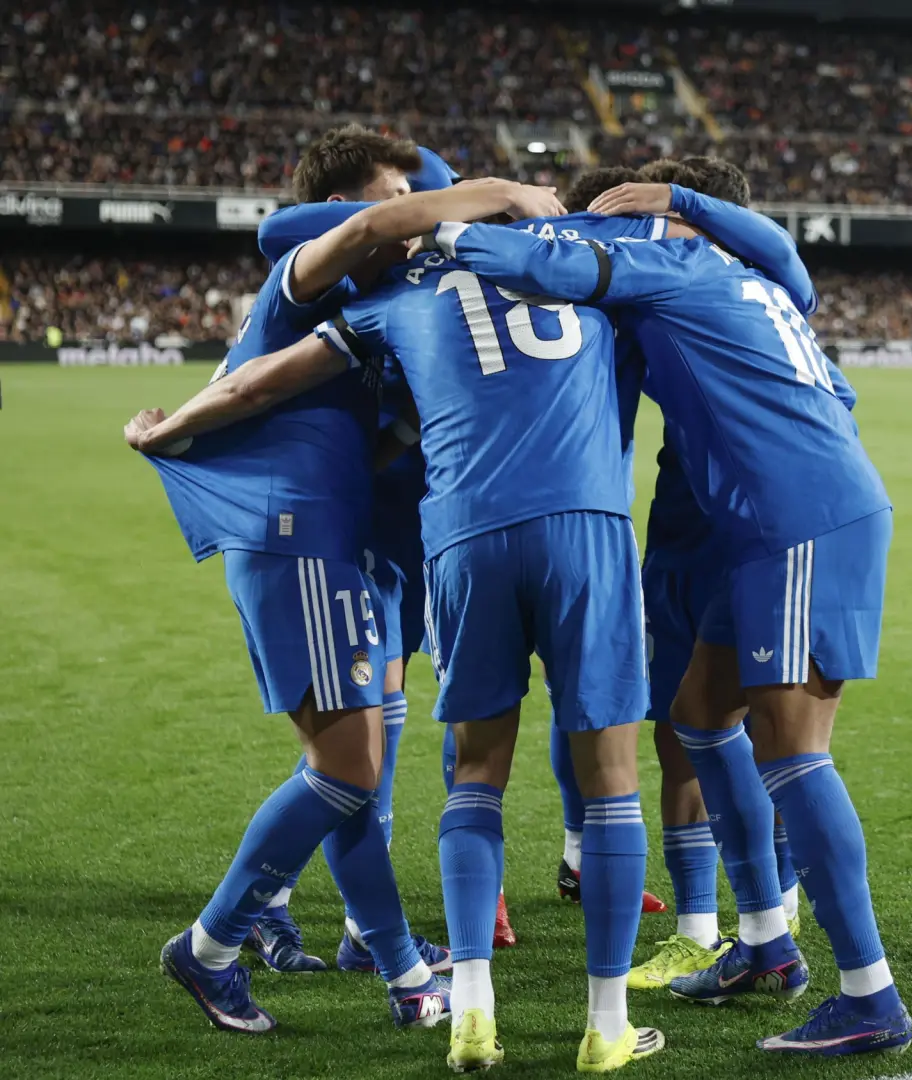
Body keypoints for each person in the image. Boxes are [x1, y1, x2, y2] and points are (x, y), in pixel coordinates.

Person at [434, 197, 912, 1057]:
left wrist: (440, 227)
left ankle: (869, 994)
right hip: (773, 521)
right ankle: (764, 939)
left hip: (795, 520)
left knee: (796, 750)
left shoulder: (676, 264)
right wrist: (683, 202)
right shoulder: (757, 274)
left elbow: (552, 272)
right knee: (697, 717)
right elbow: (815, 332)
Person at [122, 128, 559, 1034]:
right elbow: (366, 234)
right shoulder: (306, 269)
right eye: (393, 194)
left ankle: (396, 969)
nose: (409, 212)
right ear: (351, 202)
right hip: (301, 537)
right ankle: (212, 945)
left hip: (344, 543)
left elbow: (382, 431)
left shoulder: (374, 307)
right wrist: (502, 192)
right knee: (346, 768)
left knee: (354, 767)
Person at [310, 198, 668, 1071]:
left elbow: (282, 371)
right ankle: (605, 1024)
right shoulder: (581, 257)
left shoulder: (390, 295)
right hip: (585, 524)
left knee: (476, 772)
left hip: (465, 533)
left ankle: (471, 1010)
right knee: (612, 776)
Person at [239, 146, 518, 970]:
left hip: (406, 539)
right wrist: (458, 191)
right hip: (350, 538)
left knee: (370, 746)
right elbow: (283, 227)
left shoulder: (425, 277)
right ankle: (259, 912)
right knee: (351, 753)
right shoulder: (355, 265)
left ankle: (360, 929)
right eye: (406, 198)